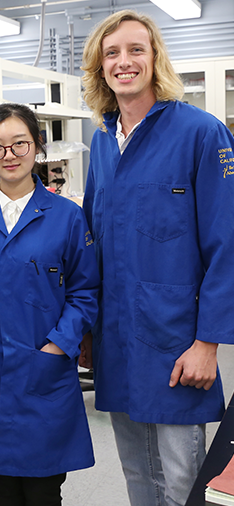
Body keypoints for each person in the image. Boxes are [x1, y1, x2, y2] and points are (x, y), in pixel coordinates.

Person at [81, 10, 234, 506]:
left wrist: (208, 343)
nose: (123, 62)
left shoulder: (201, 133)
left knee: (183, 482)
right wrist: (88, 331)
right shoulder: (102, 142)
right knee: (138, 479)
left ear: (155, 59)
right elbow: (92, 240)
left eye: (135, 50)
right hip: (118, 340)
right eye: (112, 53)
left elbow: (227, 244)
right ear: (99, 66)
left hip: (176, 342)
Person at [0, 103, 99, 506]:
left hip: (45, 370)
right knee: (3, 486)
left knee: (45, 490)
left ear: (37, 148)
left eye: (19, 144)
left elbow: (85, 292)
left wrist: (56, 346)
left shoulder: (66, 216)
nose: (8, 155)